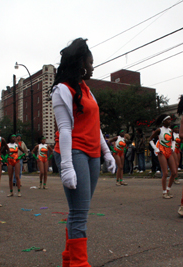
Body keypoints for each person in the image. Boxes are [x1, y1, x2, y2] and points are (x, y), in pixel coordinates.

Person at [50, 38, 116, 266]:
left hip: (92, 154)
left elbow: (95, 125)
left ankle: (69, 261)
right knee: (79, 213)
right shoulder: (62, 89)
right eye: (91, 62)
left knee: (79, 211)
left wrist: (106, 152)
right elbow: (65, 128)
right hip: (73, 152)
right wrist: (66, 165)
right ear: (81, 63)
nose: (93, 67)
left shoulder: (87, 90)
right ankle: (79, 263)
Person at [149, 114, 178, 199]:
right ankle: (164, 192)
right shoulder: (159, 130)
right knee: (165, 173)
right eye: (168, 120)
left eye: (170, 120)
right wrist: (156, 149)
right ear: (164, 121)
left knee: (174, 172)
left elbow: (173, 141)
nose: (170, 121)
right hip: (162, 152)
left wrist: (172, 148)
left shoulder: (170, 131)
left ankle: (168, 190)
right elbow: (150, 139)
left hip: (169, 152)